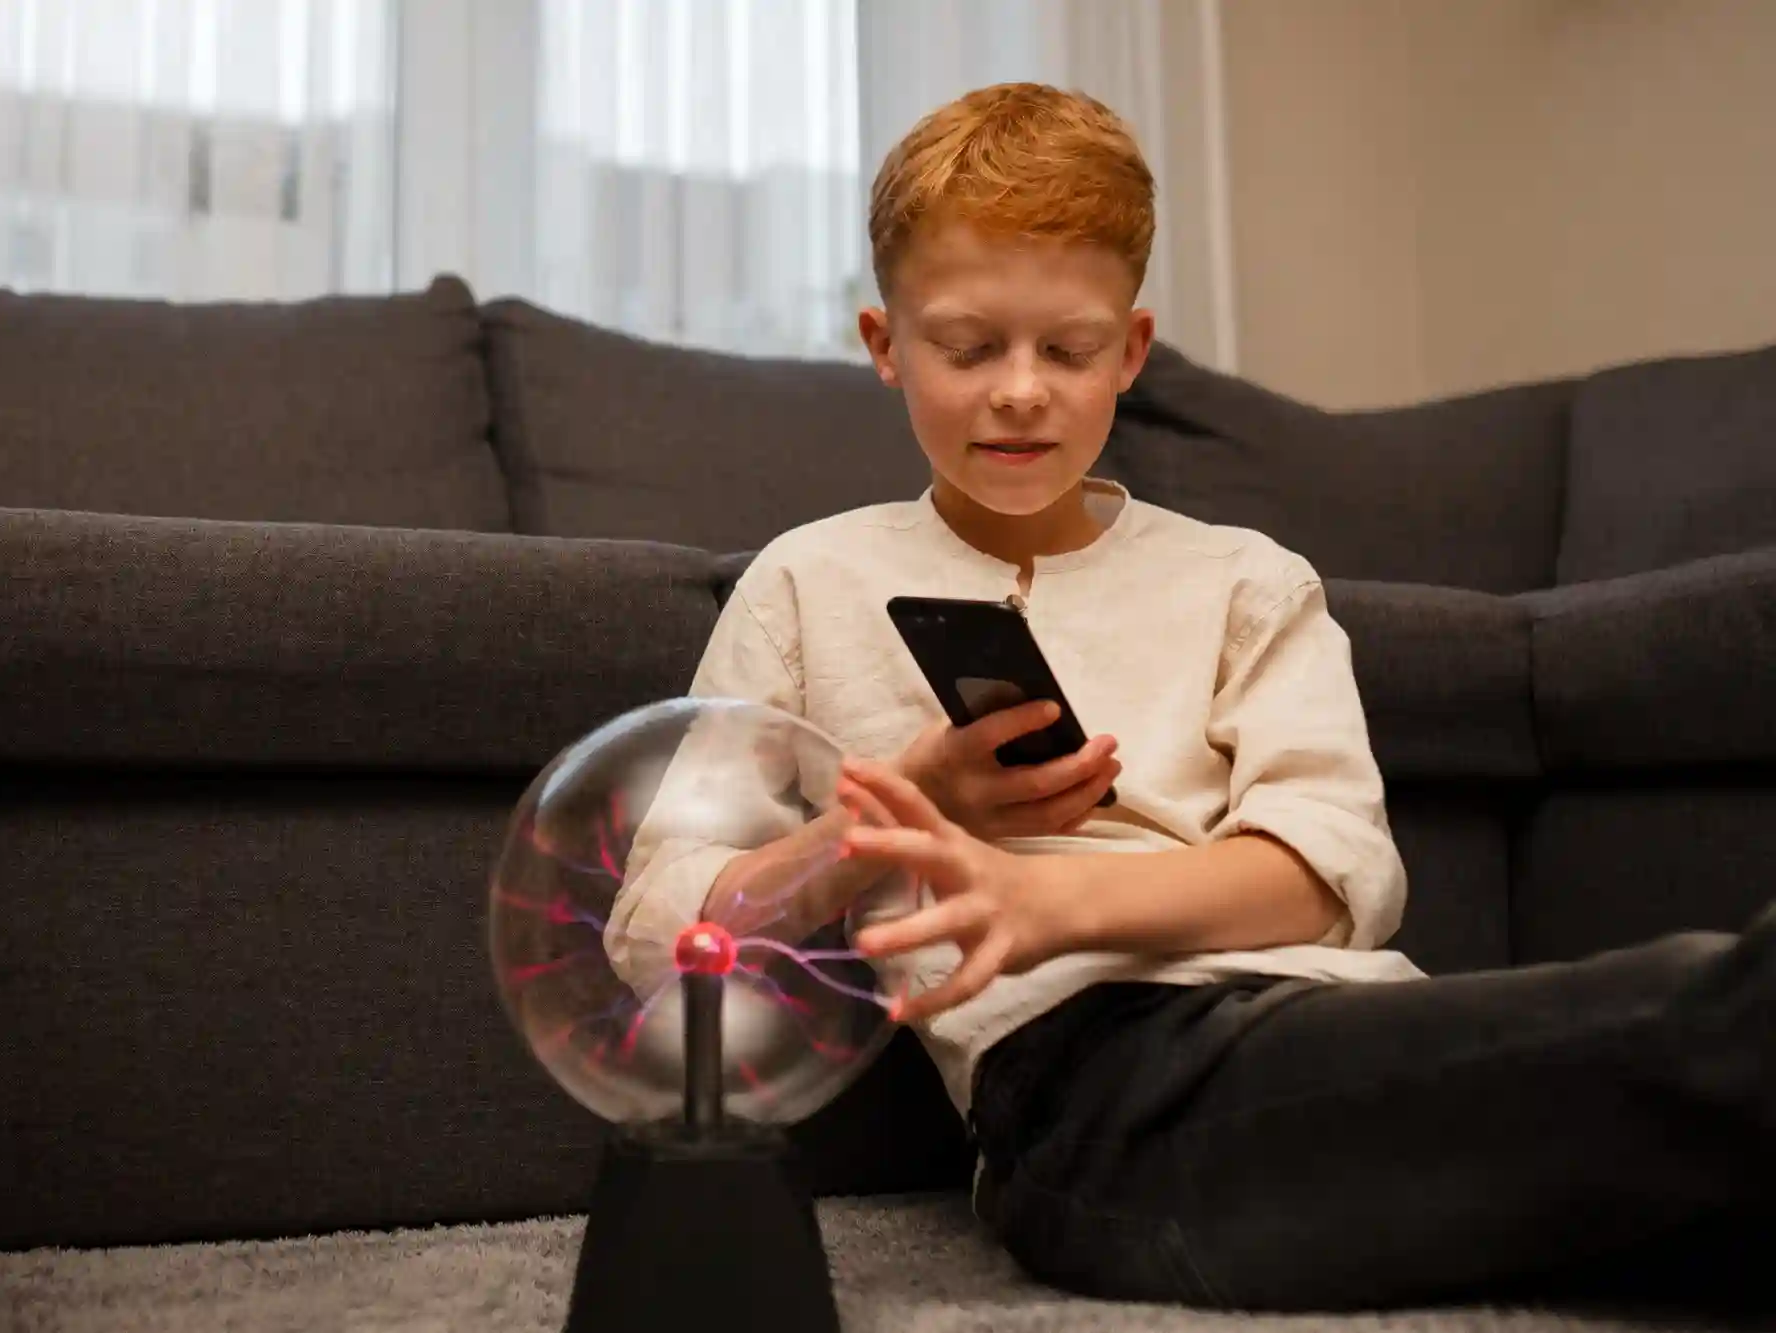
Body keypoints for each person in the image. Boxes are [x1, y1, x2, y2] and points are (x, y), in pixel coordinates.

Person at [614, 83, 1773, 1313]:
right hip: (1088, 1085)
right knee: (1706, 1027)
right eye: (967, 348)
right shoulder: (807, 580)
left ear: (1130, 351)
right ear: (884, 344)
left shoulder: (1245, 579)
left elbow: (1329, 879)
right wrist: (898, 808)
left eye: (1065, 349)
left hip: (1331, 1020)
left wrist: (1050, 894)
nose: (1019, 389)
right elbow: (658, 930)